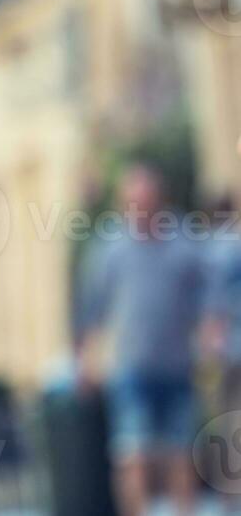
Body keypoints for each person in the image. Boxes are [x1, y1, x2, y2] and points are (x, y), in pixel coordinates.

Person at [75, 162, 209, 516]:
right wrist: (86, 358)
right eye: (132, 203)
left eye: (145, 202)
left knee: (180, 455)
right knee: (132, 455)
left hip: (178, 366)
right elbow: (93, 310)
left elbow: (207, 296)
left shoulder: (184, 240)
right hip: (130, 368)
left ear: (159, 202)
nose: (139, 210)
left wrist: (211, 332)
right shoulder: (109, 249)